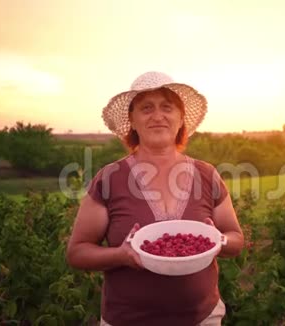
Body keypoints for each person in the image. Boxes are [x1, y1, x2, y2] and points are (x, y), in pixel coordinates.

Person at [66, 71, 245, 326]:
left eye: (167, 107)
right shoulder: (110, 178)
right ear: (133, 120)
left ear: (181, 118)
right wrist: (122, 255)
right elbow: (77, 252)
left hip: (202, 318)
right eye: (146, 108)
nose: (158, 116)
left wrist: (218, 240)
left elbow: (236, 240)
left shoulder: (207, 175)